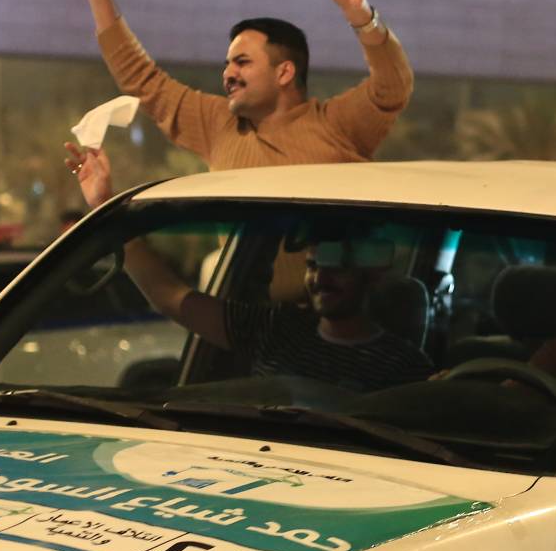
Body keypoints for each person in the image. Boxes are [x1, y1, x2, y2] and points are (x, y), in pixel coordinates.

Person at [66, 144, 430, 391]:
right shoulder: (274, 329)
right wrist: (104, 205)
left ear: (371, 271)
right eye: (313, 264)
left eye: (336, 265)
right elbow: (168, 296)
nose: (320, 277)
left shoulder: (405, 367)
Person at [65, 0, 412, 167]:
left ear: (284, 72)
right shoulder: (218, 125)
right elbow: (142, 80)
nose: (228, 74)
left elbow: (392, 88)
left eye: (242, 62)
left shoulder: (336, 125)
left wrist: (360, 15)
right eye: (228, 64)